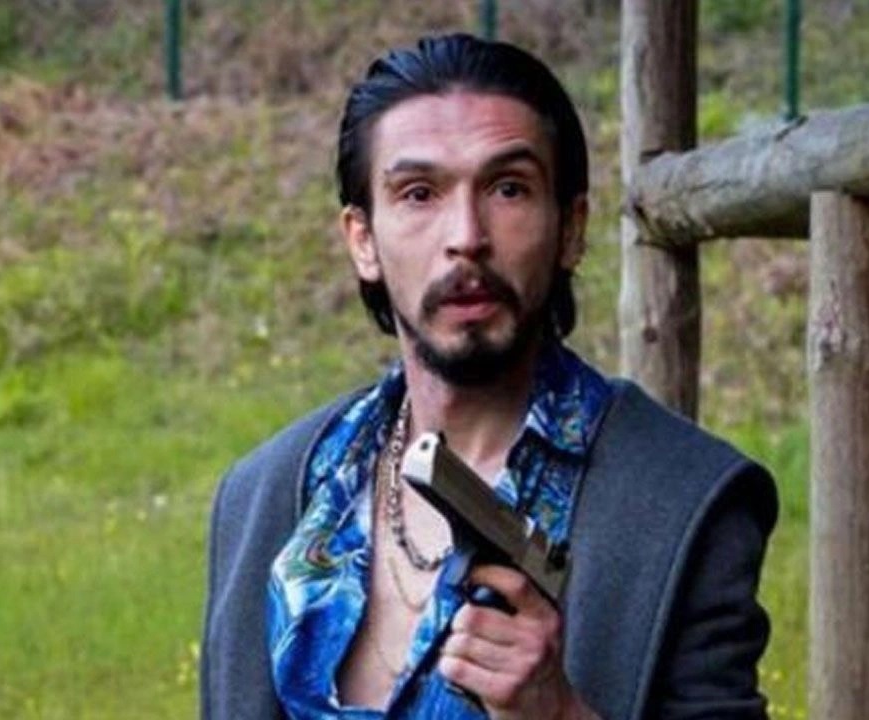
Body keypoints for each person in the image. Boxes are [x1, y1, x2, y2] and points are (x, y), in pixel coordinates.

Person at [201, 33, 778, 720]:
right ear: (363, 240)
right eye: (419, 194)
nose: (466, 236)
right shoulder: (265, 495)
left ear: (571, 228)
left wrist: (561, 714)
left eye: (508, 189)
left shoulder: (682, 501)